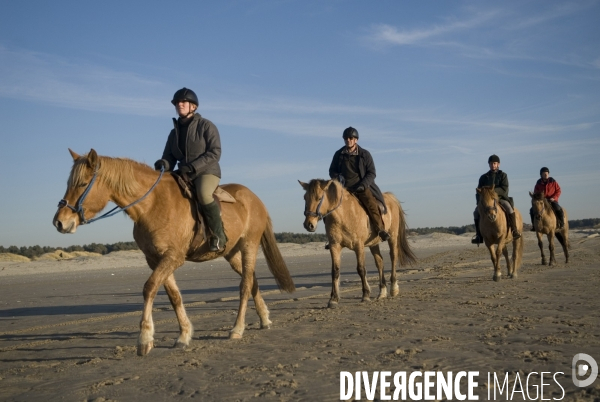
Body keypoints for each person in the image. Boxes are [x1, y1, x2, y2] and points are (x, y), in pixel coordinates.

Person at [154, 87, 227, 252]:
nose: (180, 104)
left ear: (193, 106)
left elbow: (215, 152)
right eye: (177, 103)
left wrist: (192, 167)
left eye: (184, 102)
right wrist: (163, 164)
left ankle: (218, 236)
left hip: (207, 171)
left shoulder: (206, 126)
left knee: (203, 193)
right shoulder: (174, 133)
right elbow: (169, 157)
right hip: (183, 173)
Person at [329, 127, 390, 241]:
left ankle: (380, 229)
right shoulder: (338, 154)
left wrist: (363, 184)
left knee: (371, 204)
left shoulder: (364, 154)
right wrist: (337, 177)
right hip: (343, 189)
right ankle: (332, 236)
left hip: (361, 187)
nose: (348, 140)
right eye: (346, 138)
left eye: (351, 138)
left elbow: (372, 173)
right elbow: (332, 170)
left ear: (356, 140)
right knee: (328, 206)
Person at [472, 154, 521, 244]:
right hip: (486, 202)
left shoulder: (503, 175)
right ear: (489, 164)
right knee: (475, 212)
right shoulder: (483, 177)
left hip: (500, 199)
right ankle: (479, 235)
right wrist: (479, 202)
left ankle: (514, 231)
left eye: (494, 163)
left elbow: (504, 189)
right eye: (491, 163)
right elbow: (479, 191)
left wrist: (492, 192)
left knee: (509, 209)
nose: (493, 165)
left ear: (498, 164)